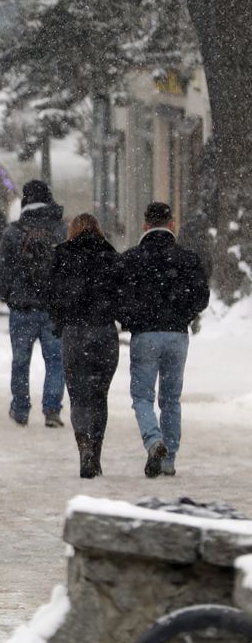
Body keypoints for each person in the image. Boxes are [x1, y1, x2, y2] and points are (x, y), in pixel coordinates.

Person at [114, 201, 209, 477]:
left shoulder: (131, 259)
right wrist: (185, 315)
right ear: (171, 225)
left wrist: (130, 318)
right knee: (171, 399)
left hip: (144, 335)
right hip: (177, 335)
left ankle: (154, 440)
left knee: (142, 396)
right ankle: (169, 459)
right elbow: (201, 297)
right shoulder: (187, 258)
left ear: (145, 226)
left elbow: (117, 296)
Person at [47, 214, 120, 478]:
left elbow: (51, 292)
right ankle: (96, 454)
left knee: (78, 396)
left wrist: (59, 322)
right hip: (104, 332)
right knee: (99, 396)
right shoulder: (109, 254)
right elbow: (121, 292)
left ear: (72, 230)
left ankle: (84, 446)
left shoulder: (62, 254)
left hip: (75, 332)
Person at [0, 179, 66, 428]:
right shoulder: (60, 230)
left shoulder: (14, 232)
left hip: (23, 308)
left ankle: (21, 407)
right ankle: (52, 409)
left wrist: (10, 295)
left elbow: (1, 269)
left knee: (21, 360)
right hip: (53, 309)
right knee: (56, 360)